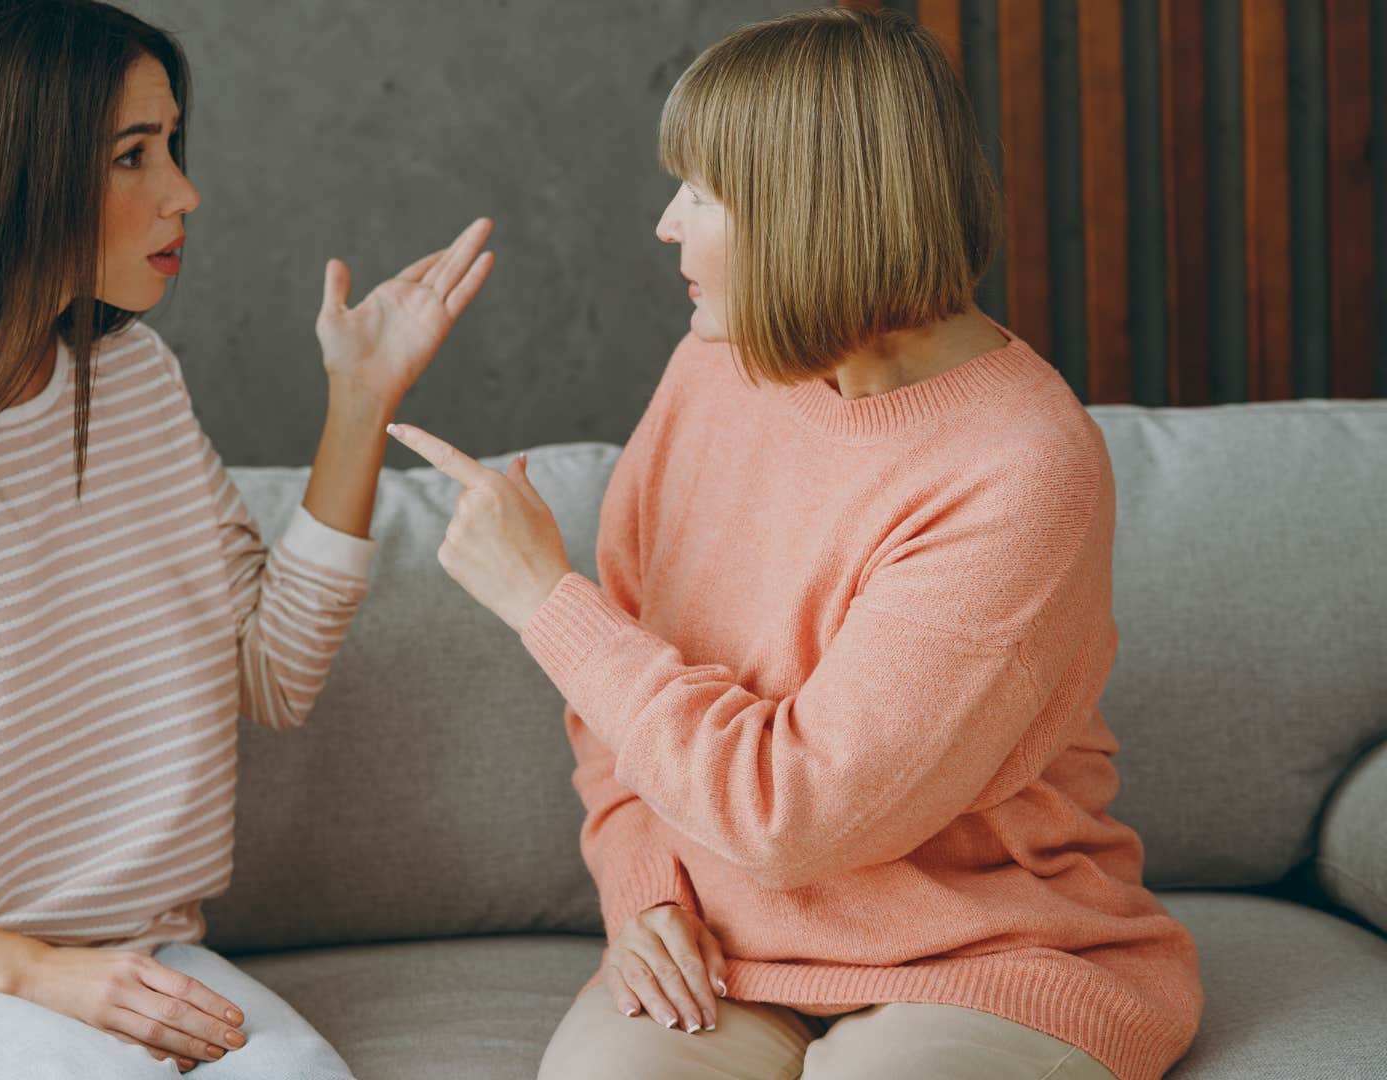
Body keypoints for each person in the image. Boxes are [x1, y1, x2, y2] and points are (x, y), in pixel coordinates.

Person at [386, 9, 1202, 1080]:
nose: (667, 227)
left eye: (702, 194)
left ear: (810, 208)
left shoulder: (1022, 464)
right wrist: (648, 895)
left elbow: (795, 813)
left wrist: (546, 600)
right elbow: (617, 696)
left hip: (990, 952)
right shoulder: (715, 372)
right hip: (721, 954)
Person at [0, 1, 491, 1075]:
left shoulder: (134, 384)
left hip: (135, 956)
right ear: (7, 171)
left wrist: (360, 404)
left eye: (171, 146)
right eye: (131, 156)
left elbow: (273, 670)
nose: (183, 192)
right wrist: (38, 974)